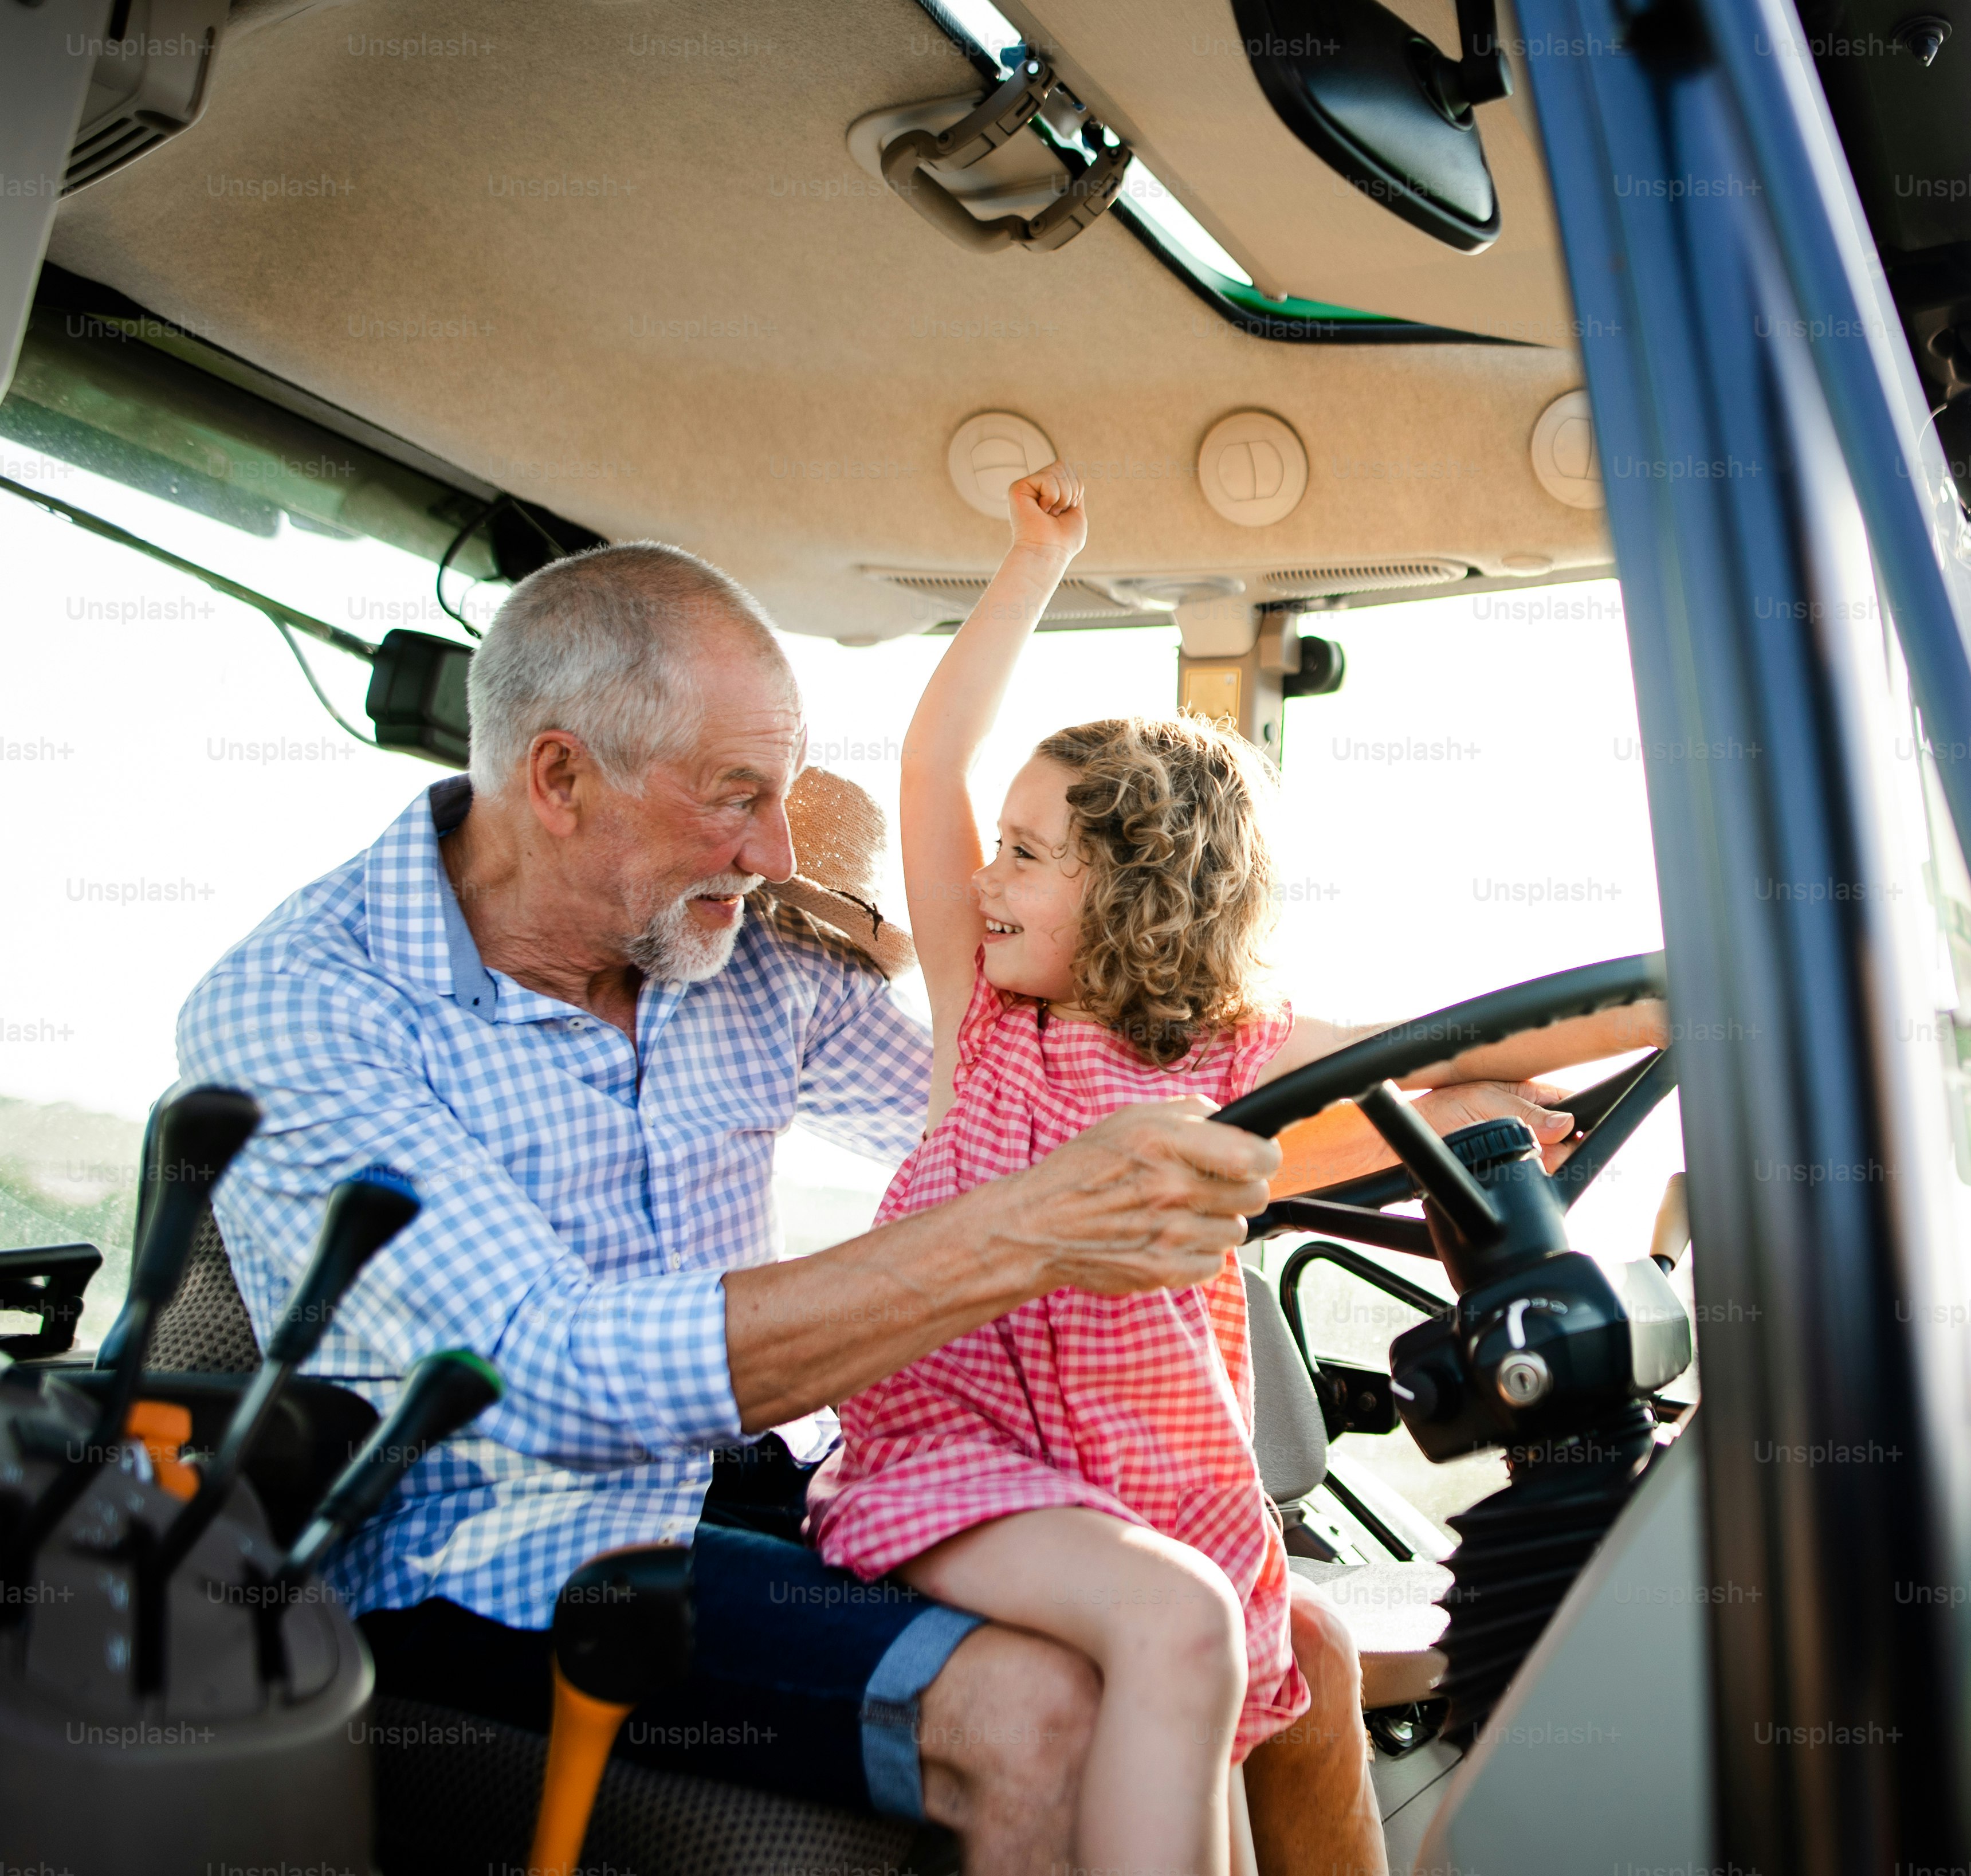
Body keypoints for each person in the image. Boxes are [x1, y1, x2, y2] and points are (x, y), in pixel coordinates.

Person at [175, 531, 1568, 1873]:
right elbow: (546, 1368)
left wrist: (1422, 1124)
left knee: (1302, 1642)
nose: (781, 852)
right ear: (559, 777)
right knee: (1046, 1710)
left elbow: (1022, 1125)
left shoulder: (739, 959)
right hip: (500, 1541)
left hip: (752, 1494)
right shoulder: (308, 1005)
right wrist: (1031, 1228)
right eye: (738, 794)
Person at [807, 463, 1665, 1876]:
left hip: (1150, 1493)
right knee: (1186, 1625)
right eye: (1000, 847)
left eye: (1026, 856)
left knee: (1206, 1678)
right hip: (958, 1466)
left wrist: (1680, 1005)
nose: (983, 878)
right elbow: (929, 767)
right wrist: (1035, 563)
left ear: (1137, 892)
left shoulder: (1227, 1063)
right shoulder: (984, 1020)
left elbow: (1474, 1036)